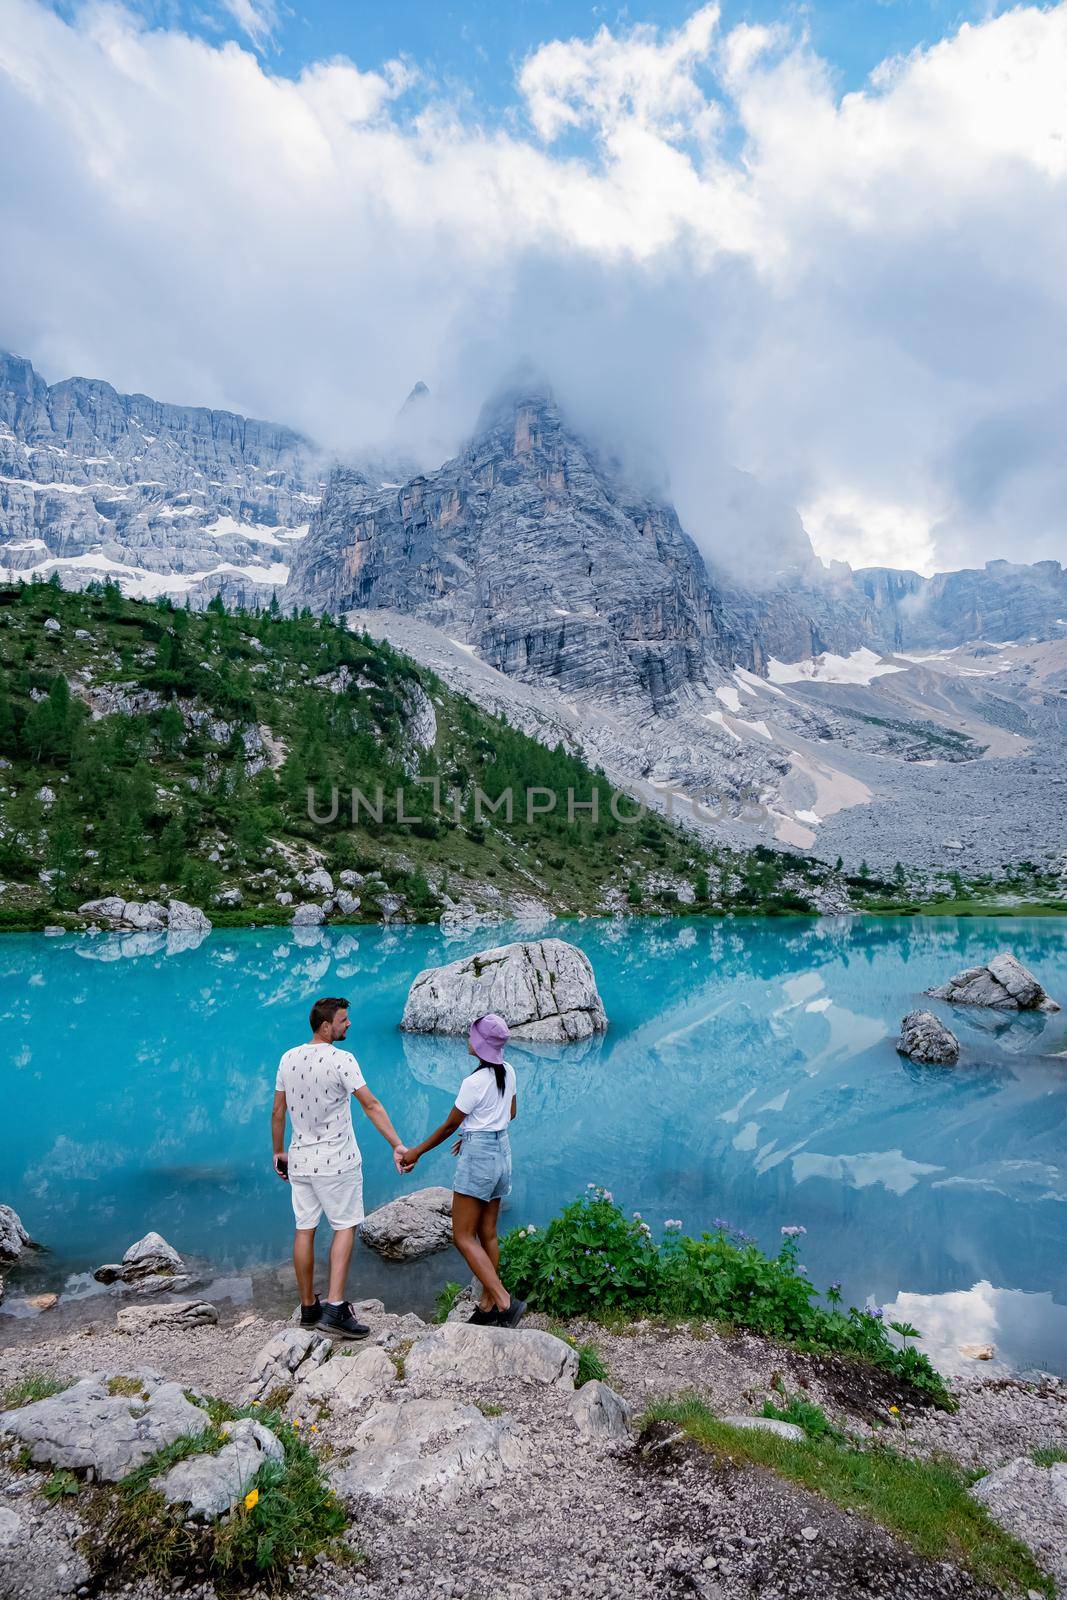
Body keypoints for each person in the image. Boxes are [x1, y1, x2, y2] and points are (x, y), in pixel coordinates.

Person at [272, 995, 408, 1340]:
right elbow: (371, 1105)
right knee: (344, 1227)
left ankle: (308, 1308)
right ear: (325, 1026)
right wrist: (396, 1144)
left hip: (300, 1159)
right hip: (337, 1162)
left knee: (304, 1229)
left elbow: (277, 1112)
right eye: (344, 1020)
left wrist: (278, 1152)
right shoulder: (341, 1060)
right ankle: (334, 1307)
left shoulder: (288, 1058)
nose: (348, 1024)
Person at [400, 1013, 525, 1327]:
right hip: (502, 1153)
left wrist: (416, 1152)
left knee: (463, 1236)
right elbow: (510, 1113)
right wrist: (476, 1132)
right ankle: (486, 1308)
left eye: (473, 1037)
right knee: (488, 1233)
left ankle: (504, 1301)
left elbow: (448, 1126)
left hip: (480, 1158)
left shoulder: (474, 1082)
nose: (468, 1041)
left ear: (481, 1046)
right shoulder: (508, 1071)